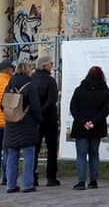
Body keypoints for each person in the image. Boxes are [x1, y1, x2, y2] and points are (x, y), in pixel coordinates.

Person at [68, 65, 109, 191]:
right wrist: (94, 122)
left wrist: (84, 122)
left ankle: (81, 182)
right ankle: (93, 181)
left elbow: (73, 108)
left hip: (81, 127)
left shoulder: (80, 89)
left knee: (81, 155)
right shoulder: (105, 91)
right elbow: (106, 109)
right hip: (97, 127)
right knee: (94, 154)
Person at [2, 60, 41, 193]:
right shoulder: (30, 86)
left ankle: (10, 185)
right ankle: (27, 184)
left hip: (11, 124)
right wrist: (38, 120)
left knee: (12, 154)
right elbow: (35, 107)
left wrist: (10, 115)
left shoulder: (9, 85)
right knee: (29, 154)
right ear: (28, 70)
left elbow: (3, 105)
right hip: (27, 123)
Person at [32, 55, 61, 186]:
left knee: (34, 149)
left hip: (35, 119)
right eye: (51, 63)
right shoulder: (50, 81)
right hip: (49, 119)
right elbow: (52, 100)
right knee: (51, 148)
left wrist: (37, 113)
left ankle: (33, 176)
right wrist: (43, 111)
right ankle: (51, 177)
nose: (52, 66)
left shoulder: (31, 79)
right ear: (44, 66)